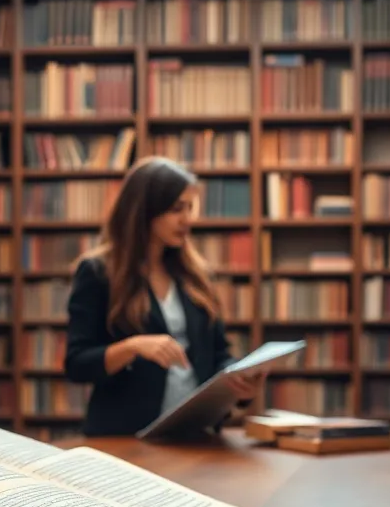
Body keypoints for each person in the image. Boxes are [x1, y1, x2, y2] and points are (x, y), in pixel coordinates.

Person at [64, 156, 265, 437]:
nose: (187, 219)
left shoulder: (196, 275)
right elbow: (77, 365)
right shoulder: (98, 272)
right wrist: (133, 347)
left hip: (195, 434)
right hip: (125, 438)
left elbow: (218, 354)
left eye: (189, 208)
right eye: (175, 209)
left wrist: (239, 382)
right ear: (144, 211)